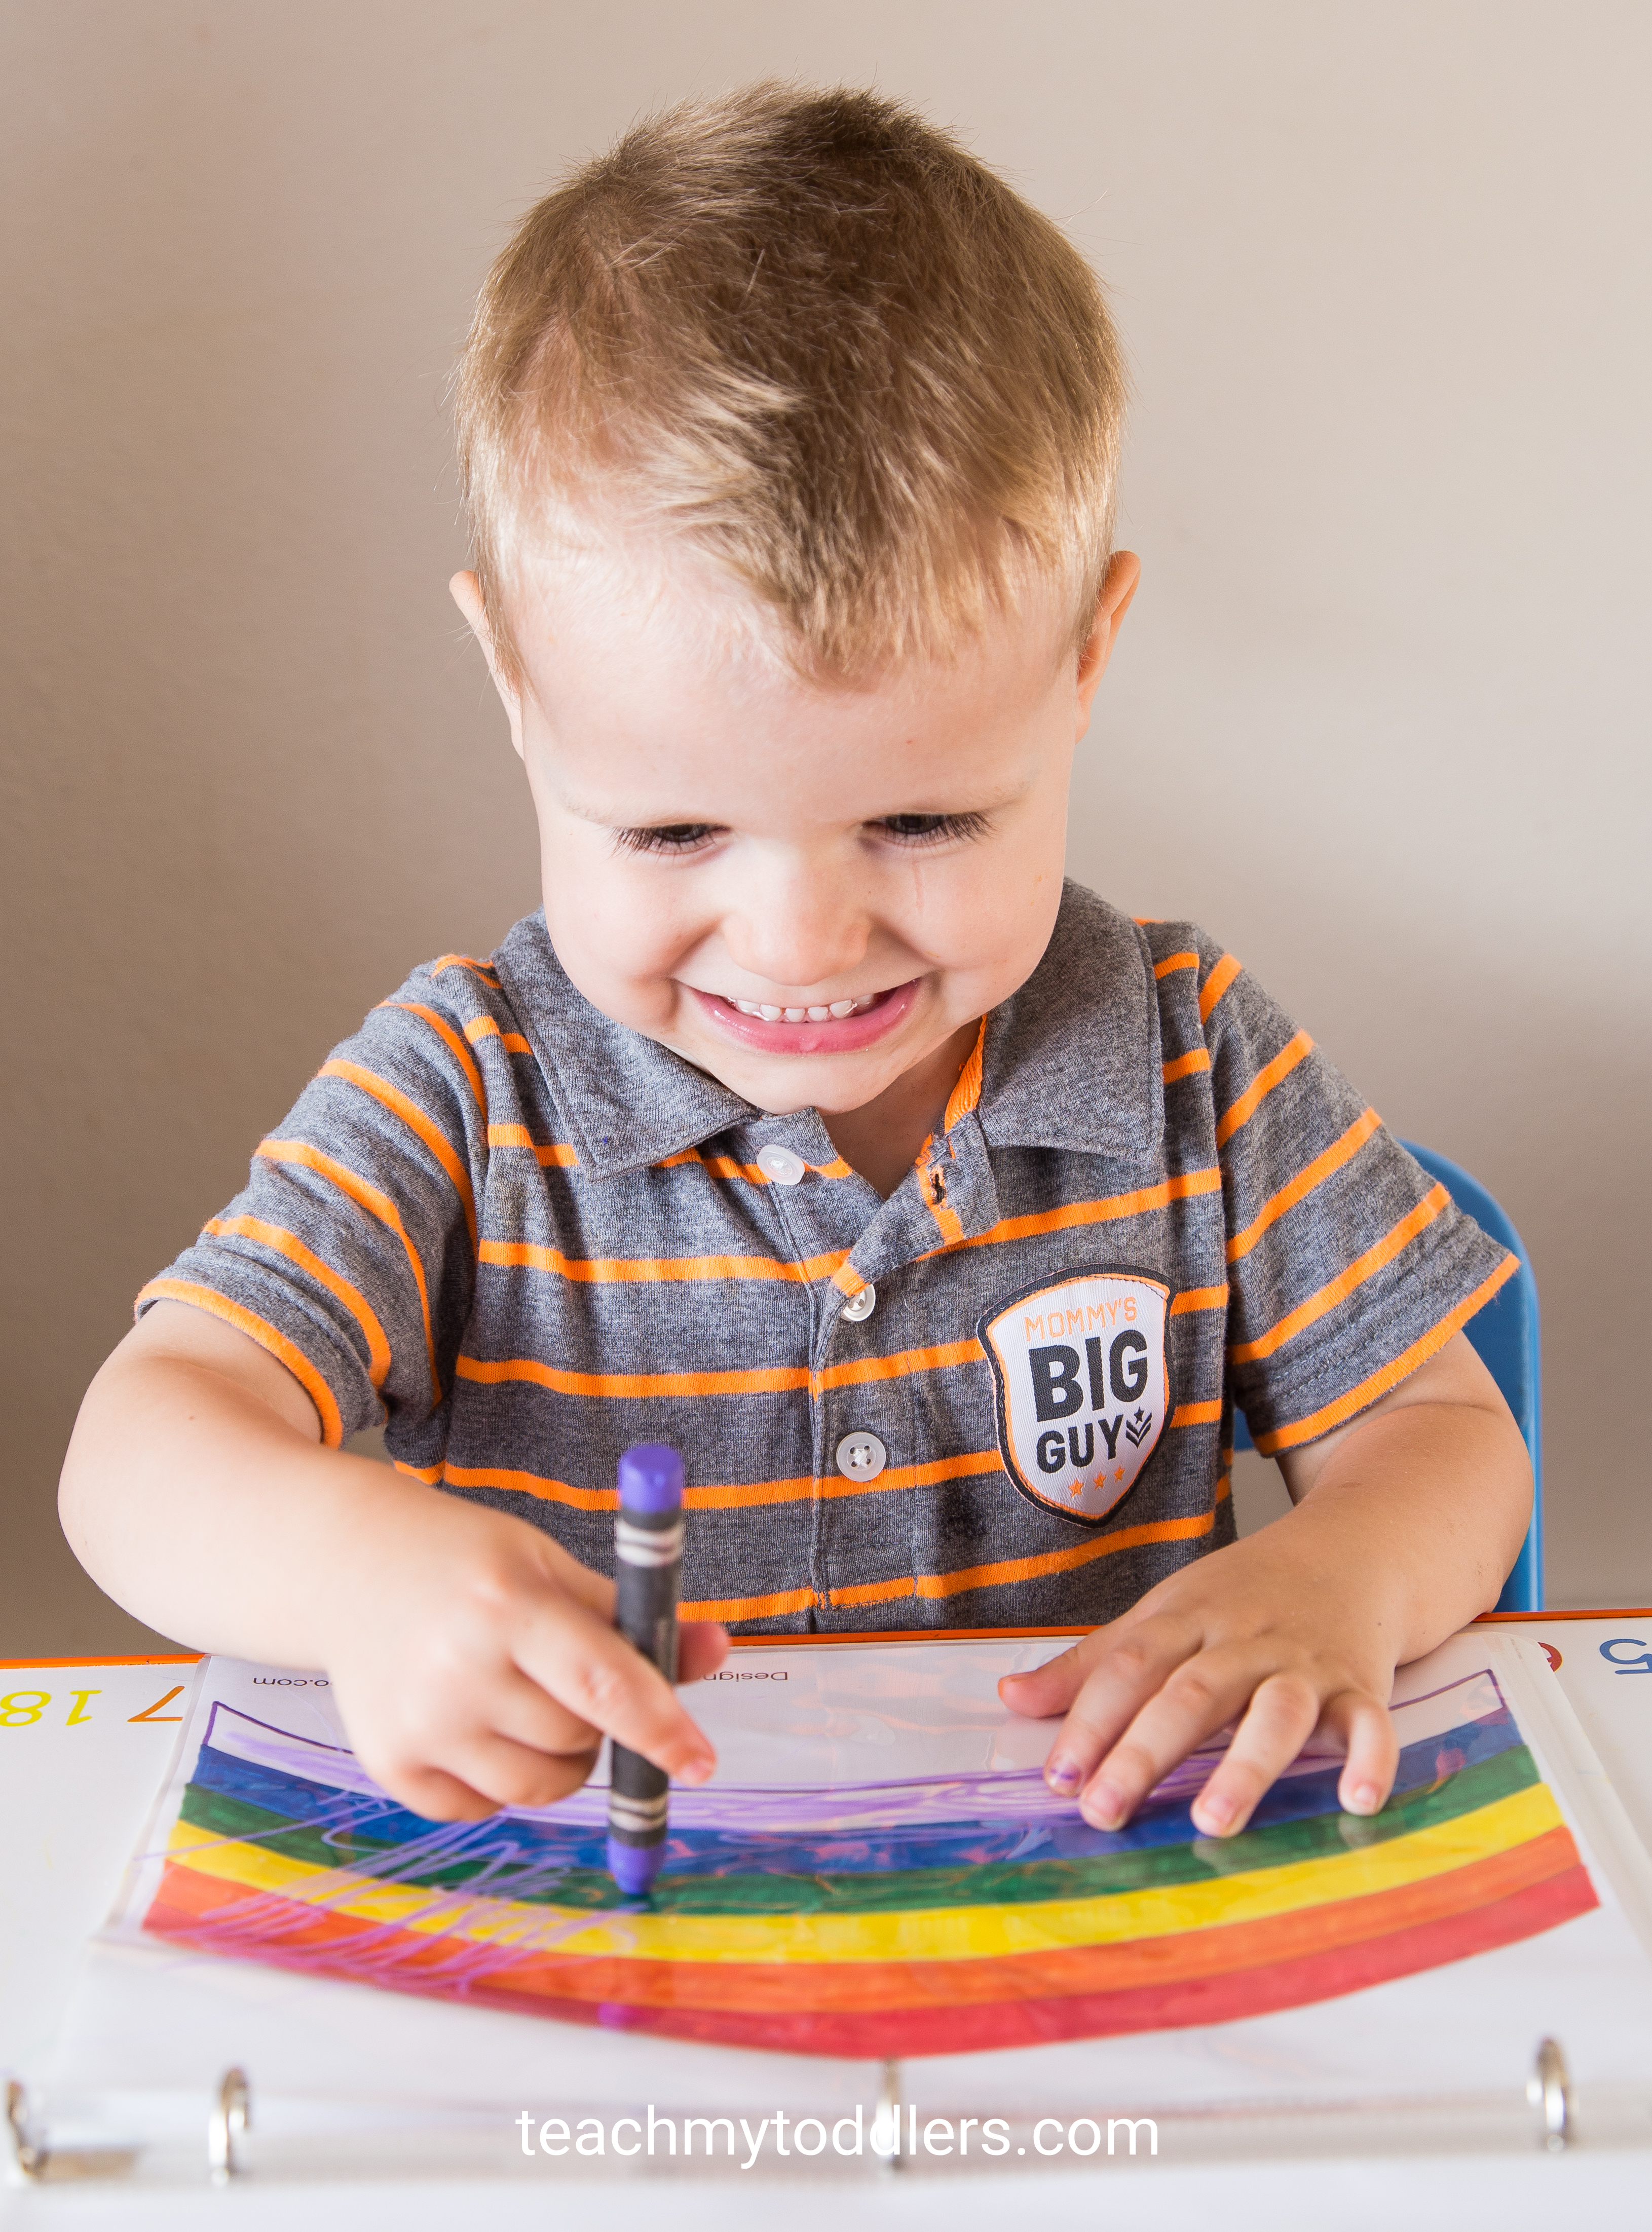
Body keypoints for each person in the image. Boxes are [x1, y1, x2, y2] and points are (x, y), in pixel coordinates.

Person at [59, 84, 1531, 1847]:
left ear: (1087, 664)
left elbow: (1447, 1435)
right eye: (675, 837)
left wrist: (1337, 1584)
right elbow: (140, 1449)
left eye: (921, 826)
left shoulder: (1188, 1061)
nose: (804, 946)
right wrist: (361, 1576)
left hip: (1082, 1948)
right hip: (613, 1959)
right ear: (516, 687)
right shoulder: (466, 1089)